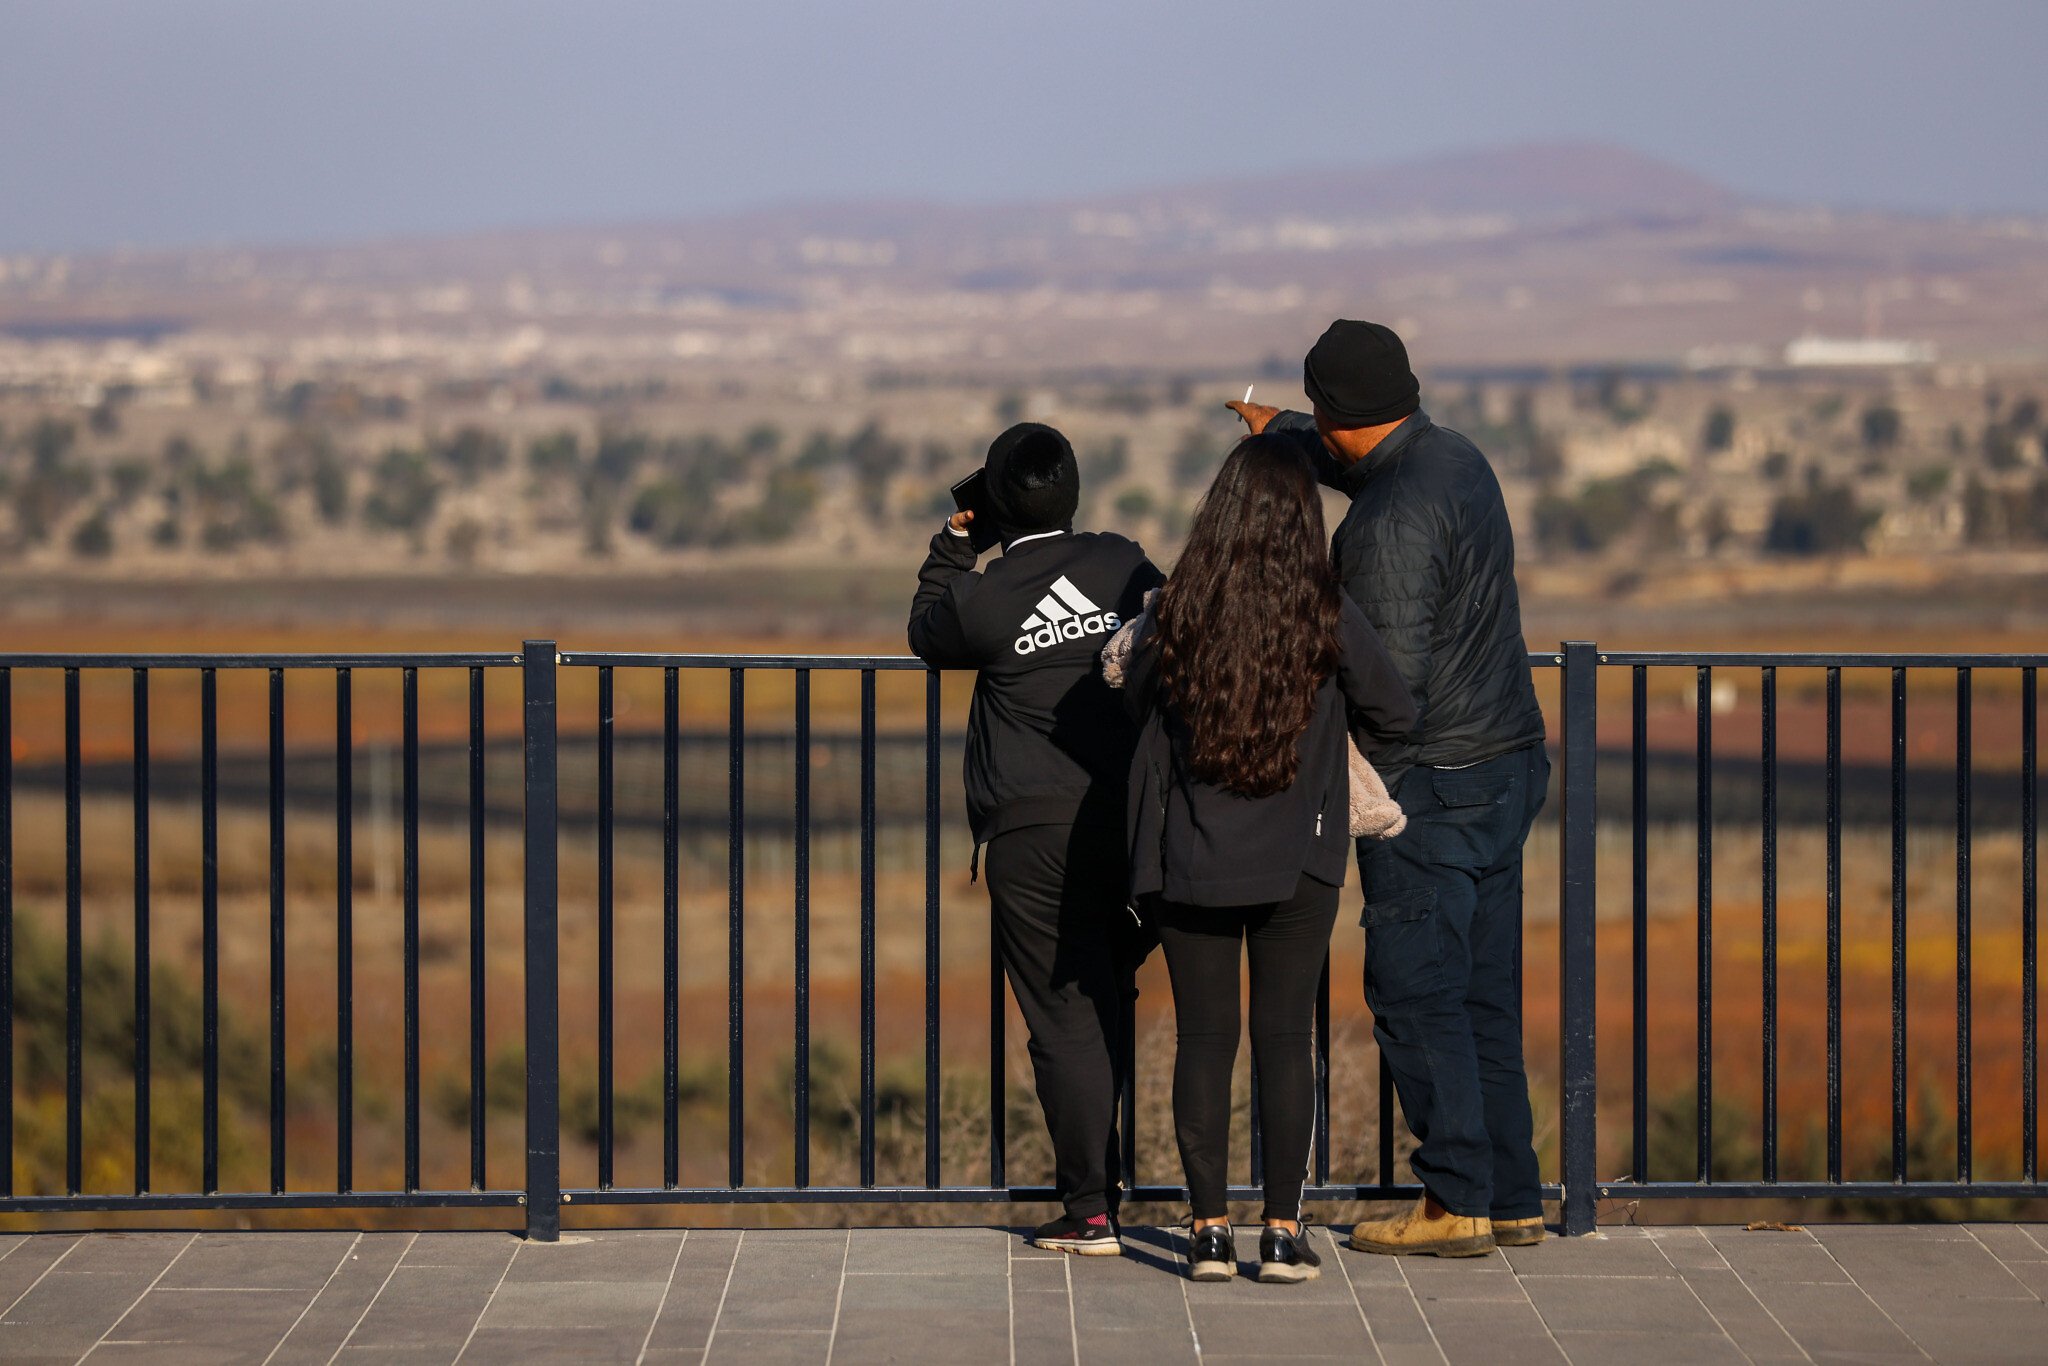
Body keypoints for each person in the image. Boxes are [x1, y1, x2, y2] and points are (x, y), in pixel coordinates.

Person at [1229, 320, 1552, 1257]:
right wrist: (1282, 428)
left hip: (1432, 788)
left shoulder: (1381, 530)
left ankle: (1455, 1205)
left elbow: (1390, 686)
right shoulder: (1453, 458)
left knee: (1416, 994)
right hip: (1503, 765)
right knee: (1483, 993)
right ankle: (1511, 1195)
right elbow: (1365, 455)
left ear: (1334, 411)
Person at [1113, 433, 1416, 1283]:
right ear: (1301, 519)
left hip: (1190, 859)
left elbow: (1133, 700)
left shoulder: (1176, 607)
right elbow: (1393, 710)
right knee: (1286, 1039)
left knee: (1204, 1041)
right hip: (1302, 858)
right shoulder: (1323, 610)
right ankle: (1283, 1232)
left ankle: (1208, 1232)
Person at [908, 421, 1163, 1255]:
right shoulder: (1123, 565)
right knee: (1106, 1001)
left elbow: (927, 629)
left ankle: (1090, 1208)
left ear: (995, 503)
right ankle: (1113, 1189)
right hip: (1130, 824)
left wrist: (954, 543)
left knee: (1060, 1019)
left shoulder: (987, 597)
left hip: (1031, 831)